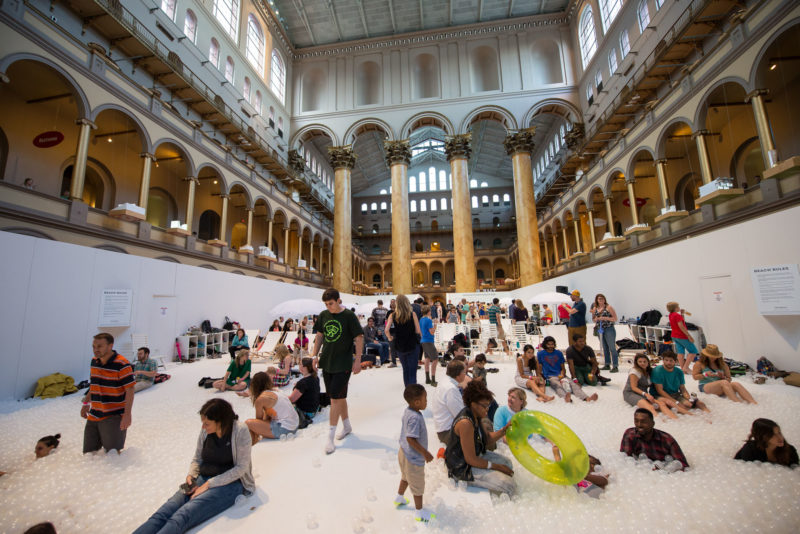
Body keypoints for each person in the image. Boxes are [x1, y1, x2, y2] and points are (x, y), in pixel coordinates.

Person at [133, 399, 254, 534]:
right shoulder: (206, 432)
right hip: (203, 477)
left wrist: (209, 484)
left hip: (230, 484)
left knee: (182, 516)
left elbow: (241, 468)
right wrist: (191, 475)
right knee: (164, 512)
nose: (203, 427)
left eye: (207, 423)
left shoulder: (240, 431)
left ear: (220, 421)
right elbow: (197, 458)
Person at [311, 288, 364, 454]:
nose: (329, 307)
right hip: (327, 361)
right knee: (338, 397)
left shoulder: (348, 316)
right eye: (326, 304)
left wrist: (358, 360)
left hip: (343, 364)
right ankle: (347, 426)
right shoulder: (324, 315)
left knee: (334, 399)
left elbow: (359, 337)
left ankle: (330, 437)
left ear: (338, 300)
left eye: (331, 303)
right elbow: (319, 335)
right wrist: (314, 355)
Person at [445, 381, 515, 496]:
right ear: (473, 404)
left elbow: (487, 439)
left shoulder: (477, 414)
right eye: (484, 406)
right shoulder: (465, 423)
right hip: (462, 467)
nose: (487, 409)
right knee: (508, 484)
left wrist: (504, 430)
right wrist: (497, 467)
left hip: (476, 456)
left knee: (508, 463)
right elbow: (471, 460)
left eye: (488, 405)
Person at [81, 333, 134, 454]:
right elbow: (94, 385)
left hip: (113, 415)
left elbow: (130, 390)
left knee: (113, 454)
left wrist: (127, 415)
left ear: (110, 346)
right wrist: (86, 402)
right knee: (89, 454)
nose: (96, 350)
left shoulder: (122, 364)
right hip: (94, 414)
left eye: (99, 346)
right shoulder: (94, 361)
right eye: (94, 346)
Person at [394, 384, 436, 523]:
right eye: (425, 399)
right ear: (417, 402)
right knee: (418, 485)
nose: (427, 401)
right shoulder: (415, 418)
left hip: (403, 452)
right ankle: (419, 512)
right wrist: (425, 453)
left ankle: (399, 497)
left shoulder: (408, 411)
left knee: (405, 477)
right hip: (413, 457)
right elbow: (410, 439)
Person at [620, 408, 689, 471]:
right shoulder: (630, 435)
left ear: (653, 424)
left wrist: (666, 469)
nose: (639, 425)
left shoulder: (667, 439)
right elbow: (624, 459)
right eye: (636, 421)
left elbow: (683, 464)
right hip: (641, 472)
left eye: (643, 422)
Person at [537, 336, 597, 403]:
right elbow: (539, 367)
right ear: (545, 344)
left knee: (573, 384)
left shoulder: (558, 353)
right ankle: (565, 397)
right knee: (557, 385)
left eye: (552, 344)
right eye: (549, 344)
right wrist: (541, 377)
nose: (551, 346)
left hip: (560, 374)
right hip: (550, 376)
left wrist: (562, 374)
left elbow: (563, 367)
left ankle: (586, 398)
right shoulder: (540, 354)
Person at [692, 345, 757, 404]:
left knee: (736, 384)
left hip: (721, 385)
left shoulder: (723, 365)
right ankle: (737, 402)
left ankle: (753, 403)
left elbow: (729, 379)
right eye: (711, 356)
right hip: (705, 386)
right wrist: (705, 374)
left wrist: (722, 377)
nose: (713, 358)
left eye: (715, 356)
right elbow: (695, 377)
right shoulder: (699, 363)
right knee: (723, 383)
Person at [245, 372, 299, 442]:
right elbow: (267, 416)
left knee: (248, 423)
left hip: (286, 428)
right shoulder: (275, 392)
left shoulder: (260, 399)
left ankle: (253, 442)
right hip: (294, 424)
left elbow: (258, 421)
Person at [623, 353, 674, 419]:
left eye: (644, 361)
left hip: (643, 394)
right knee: (650, 407)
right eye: (640, 362)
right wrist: (646, 394)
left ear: (648, 362)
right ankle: (660, 422)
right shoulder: (634, 372)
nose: (642, 363)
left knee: (662, 404)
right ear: (636, 362)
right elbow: (633, 387)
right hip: (631, 393)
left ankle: (675, 420)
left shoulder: (649, 371)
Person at [386, 294, 422, 387]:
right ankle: (413, 392)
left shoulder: (392, 315)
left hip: (400, 346)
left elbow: (386, 330)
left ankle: (408, 391)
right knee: (412, 371)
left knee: (405, 370)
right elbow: (418, 331)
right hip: (412, 344)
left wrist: (390, 338)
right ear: (407, 302)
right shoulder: (412, 314)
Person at [734, 418, 798, 467]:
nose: (780, 437)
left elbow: (795, 470)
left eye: (779, 432)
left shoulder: (790, 450)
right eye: (773, 435)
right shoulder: (751, 449)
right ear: (763, 437)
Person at [432, 360, 467, 444]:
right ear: (459, 374)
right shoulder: (451, 389)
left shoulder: (445, 382)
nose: (465, 375)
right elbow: (460, 414)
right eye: (464, 373)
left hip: (443, 428)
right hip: (447, 432)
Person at [666, 302, 699, 372]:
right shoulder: (677, 315)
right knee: (693, 351)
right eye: (678, 306)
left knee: (680, 352)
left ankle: (683, 368)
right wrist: (689, 336)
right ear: (675, 308)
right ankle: (686, 367)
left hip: (674, 335)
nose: (679, 307)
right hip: (682, 336)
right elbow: (681, 326)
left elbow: (681, 322)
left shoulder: (671, 315)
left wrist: (682, 314)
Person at [590, 293, 620, 373]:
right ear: (596, 300)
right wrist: (596, 319)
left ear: (604, 299)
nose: (600, 300)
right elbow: (593, 319)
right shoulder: (595, 308)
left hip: (609, 329)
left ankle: (615, 366)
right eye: (599, 299)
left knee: (612, 347)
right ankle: (607, 364)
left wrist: (604, 318)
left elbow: (615, 318)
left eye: (602, 298)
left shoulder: (608, 307)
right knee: (605, 347)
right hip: (600, 329)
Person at [419, 305, 438, 386]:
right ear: (428, 311)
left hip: (423, 340)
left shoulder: (421, 319)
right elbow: (432, 332)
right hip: (429, 341)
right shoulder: (428, 320)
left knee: (427, 358)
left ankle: (427, 379)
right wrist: (435, 325)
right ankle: (433, 379)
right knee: (435, 359)